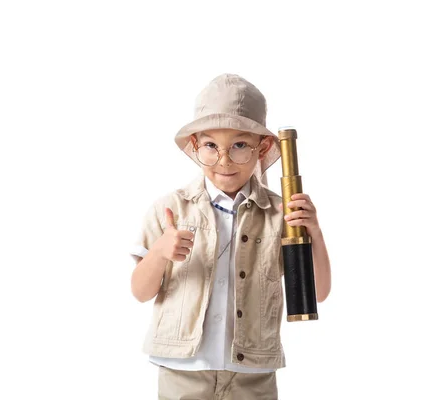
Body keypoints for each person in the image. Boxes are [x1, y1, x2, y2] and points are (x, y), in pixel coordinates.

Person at [129, 73, 331, 399]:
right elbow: (140, 291)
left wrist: (315, 233)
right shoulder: (170, 209)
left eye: (239, 145)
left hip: (252, 372)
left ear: (262, 147)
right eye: (211, 146)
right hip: (184, 369)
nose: (224, 161)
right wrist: (160, 252)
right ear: (195, 145)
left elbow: (318, 294)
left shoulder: (280, 215)